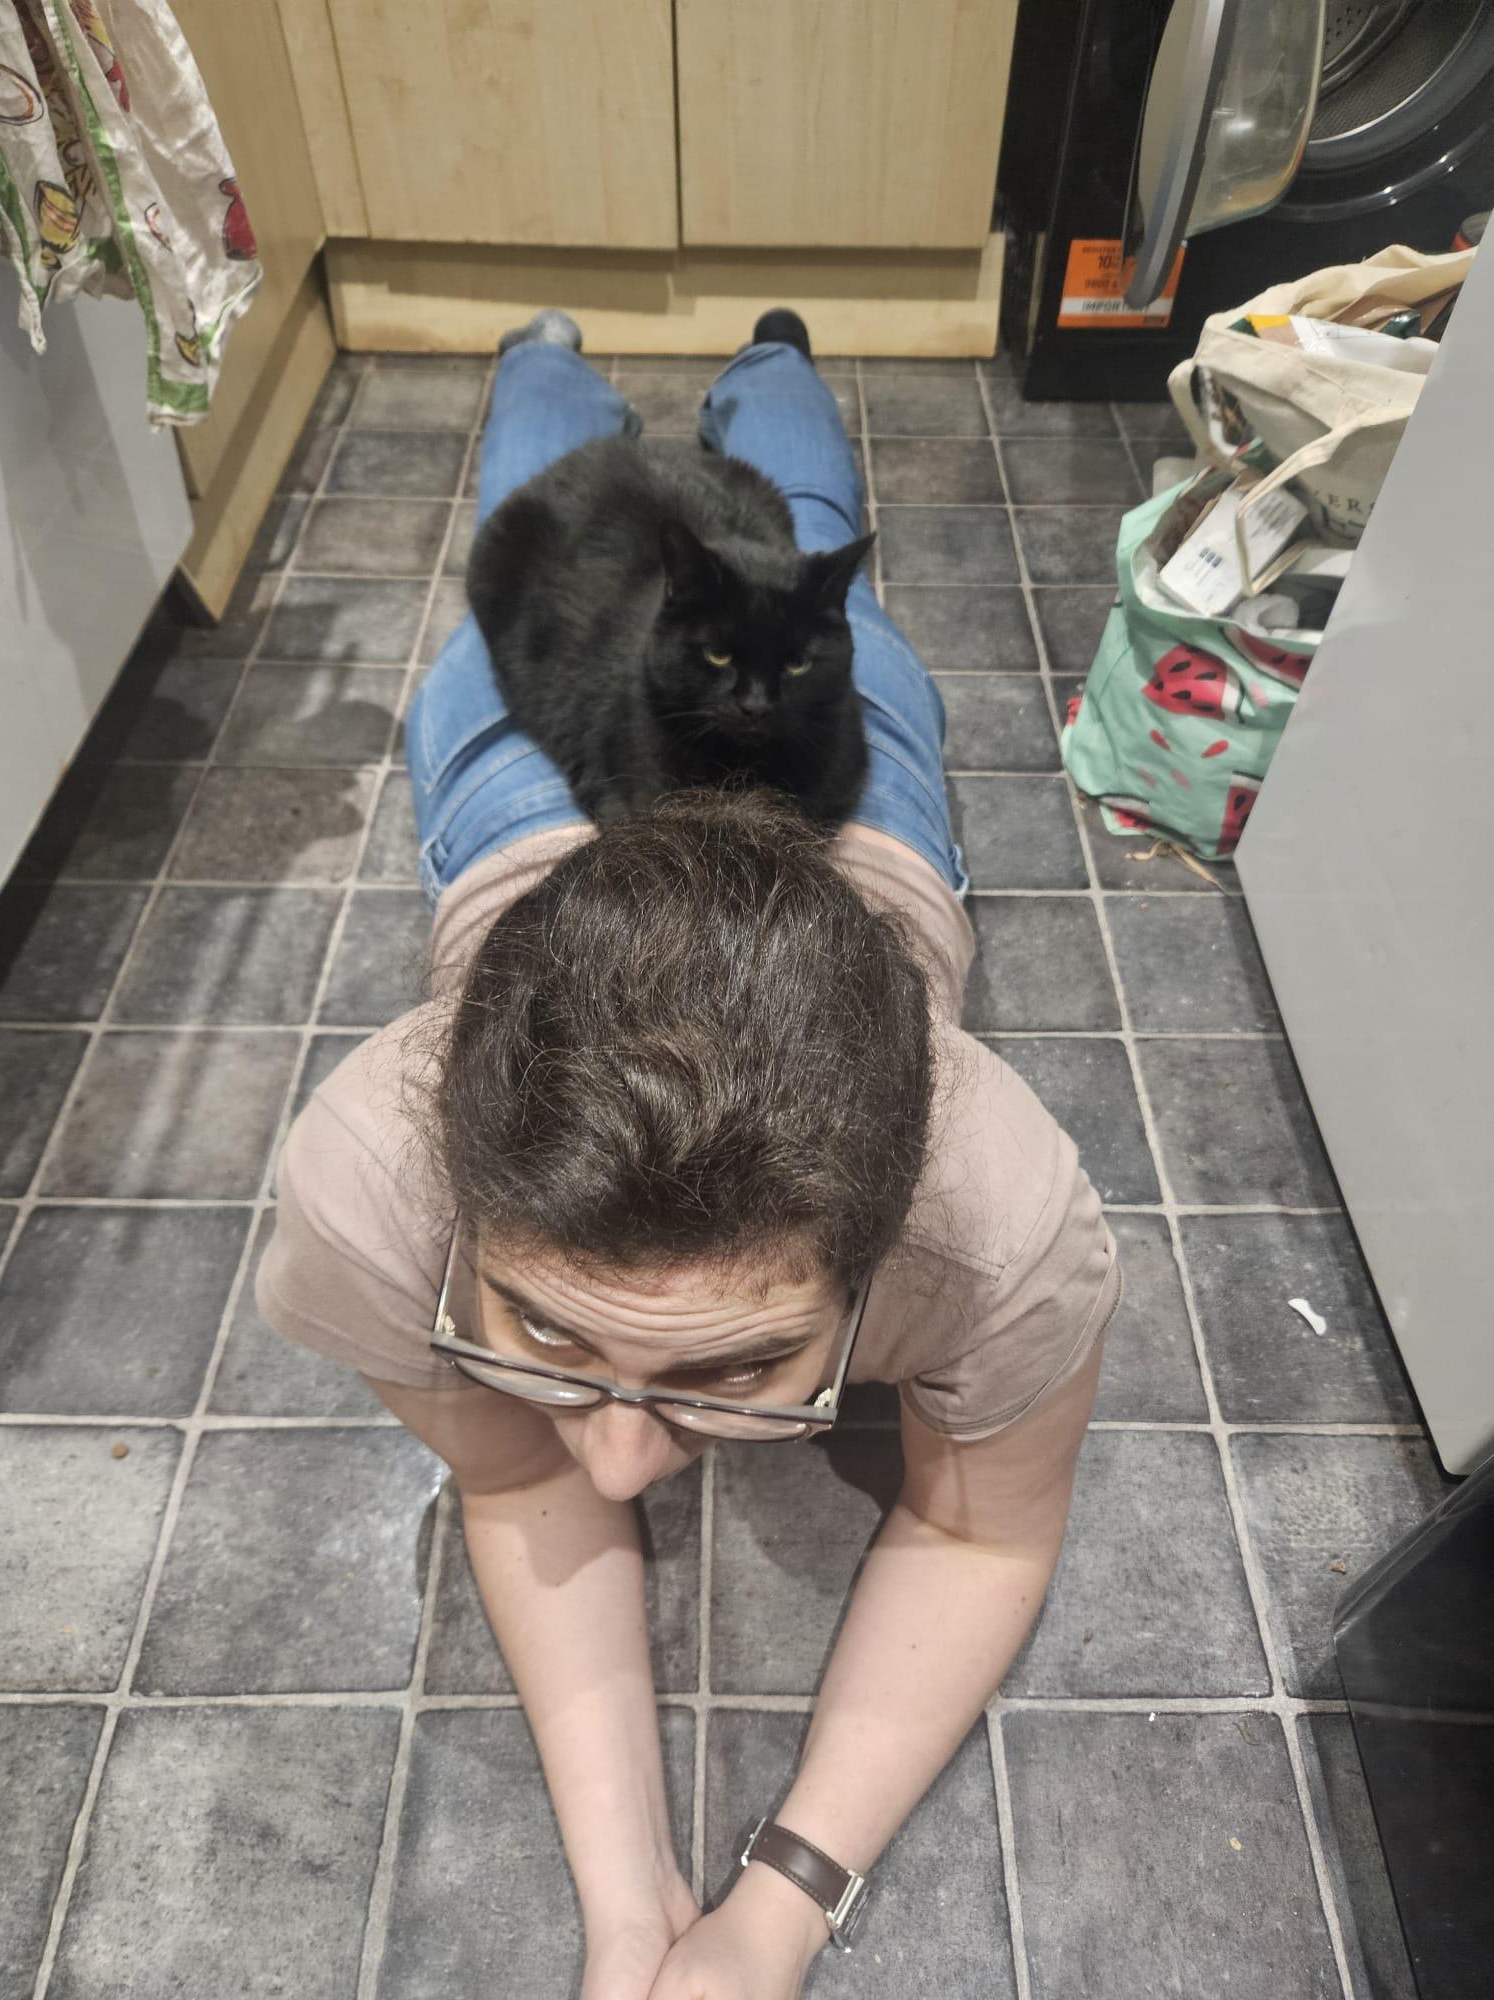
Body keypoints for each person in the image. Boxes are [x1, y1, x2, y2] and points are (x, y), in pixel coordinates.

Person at [258, 310, 1121, 2000]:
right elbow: (516, 1478)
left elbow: (986, 1534)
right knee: (564, 512)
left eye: (733, 1369)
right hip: (546, 786)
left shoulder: (997, 1234)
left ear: (886, 1252)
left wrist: (771, 1913)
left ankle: (774, 355)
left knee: (796, 540)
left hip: (850, 820)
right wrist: (630, 1910)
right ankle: (544, 345)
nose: (615, 1469)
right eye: (547, 1337)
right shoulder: (367, 1200)